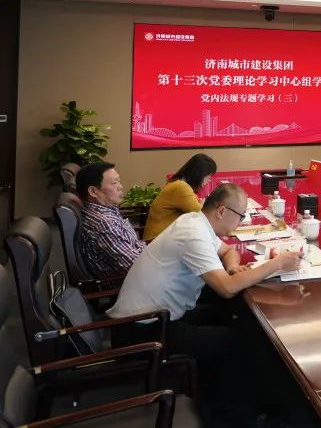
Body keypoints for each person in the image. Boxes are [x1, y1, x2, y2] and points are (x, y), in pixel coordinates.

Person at [109, 183, 305, 427]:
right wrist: (277, 264)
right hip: (142, 329)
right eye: (240, 216)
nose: (241, 222)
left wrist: (233, 268)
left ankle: (257, 398)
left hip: (160, 315)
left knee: (235, 317)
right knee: (230, 341)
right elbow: (226, 288)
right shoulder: (193, 233)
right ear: (221, 211)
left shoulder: (197, 222)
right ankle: (235, 416)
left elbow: (228, 252)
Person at [74, 162, 145, 278]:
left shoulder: (104, 212)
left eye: (119, 181)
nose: (120, 187)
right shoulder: (104, 223)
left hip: (141, 263)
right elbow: (138, 267)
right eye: (114, 183)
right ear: (93, 191)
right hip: (130, 282)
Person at [142, 153, 217, 241]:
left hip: (163, 239)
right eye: (209, 176)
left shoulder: (179, 184)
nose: (209, 180)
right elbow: (200, 215)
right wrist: (203, 202)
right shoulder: (181, 187)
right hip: (157, 241)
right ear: (200, 174)